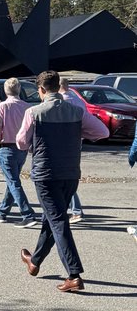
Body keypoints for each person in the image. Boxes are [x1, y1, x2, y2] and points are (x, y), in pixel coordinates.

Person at [16, 69, 109, 292]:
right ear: (58, 87)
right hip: (70, 173)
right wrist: (78, 134)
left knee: (58, 221)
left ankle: (74, 274)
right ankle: (35, 261)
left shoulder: (34, 112)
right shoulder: (76, 111)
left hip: (46, 174)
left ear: (40, 90)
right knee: (53, 218)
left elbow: (20, 141)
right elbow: (102, 132)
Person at [0, 77, 38, 227]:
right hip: (21, 148)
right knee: (13, 180)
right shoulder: (27, 107)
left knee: (13, 181)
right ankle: (2, 212)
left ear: (5, 90)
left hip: (7, 146)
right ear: (19, 89)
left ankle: (27, 213)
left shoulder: (2, 107)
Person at [59, 78, 86, 223]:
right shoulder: (79, 101)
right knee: (69, 177)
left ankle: (76, 210)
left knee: (63, 179)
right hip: (76, 143)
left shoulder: (60, 102)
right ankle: (74, 210)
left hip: (61, 144)